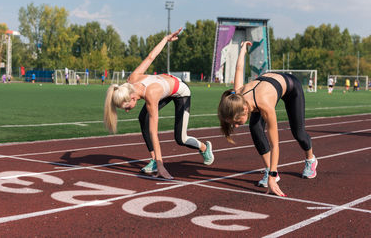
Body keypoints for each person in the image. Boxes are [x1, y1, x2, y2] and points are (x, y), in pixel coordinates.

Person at [104, 28, 214, 180]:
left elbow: (154, 133)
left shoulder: (151, 94)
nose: (128, 111)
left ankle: (204, 147)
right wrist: (165, 39)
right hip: (165, 89)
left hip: (181, 93)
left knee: (180, 138)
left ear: (132, 98)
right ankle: (154, 160)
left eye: (126, 108)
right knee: (143, 118)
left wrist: (162, 166)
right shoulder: (132, 80)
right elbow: (150, 57)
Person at [217, 41, 317, 197]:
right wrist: (243, 49)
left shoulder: (264, 105)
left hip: (291, 88)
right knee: (255, 127)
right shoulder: (237, 95)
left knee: (298, 133)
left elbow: (275, 144)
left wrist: (272, 177)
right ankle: (269, 169)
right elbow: (239, 69)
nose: (236, 126)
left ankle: (311, 160)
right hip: (265, 87)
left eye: (237, 122)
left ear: (244, 110)